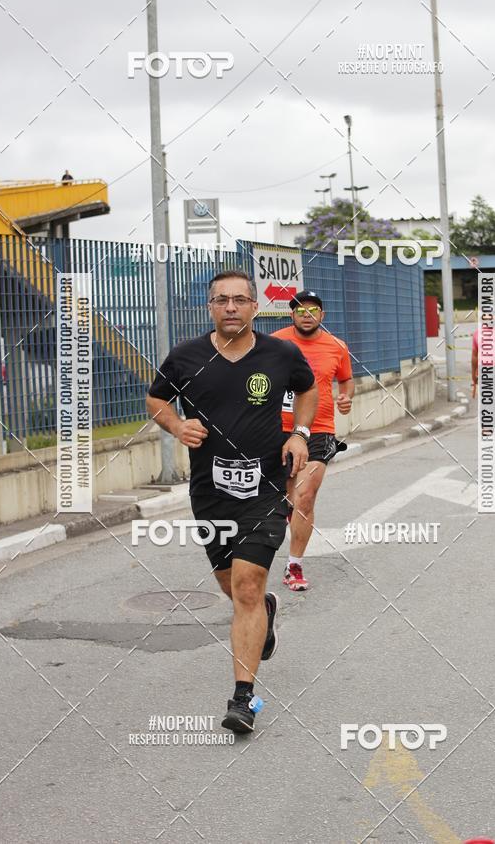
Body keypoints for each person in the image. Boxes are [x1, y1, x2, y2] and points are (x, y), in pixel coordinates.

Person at [146, 270, 317, 734]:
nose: (231, 308)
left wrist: (300, 434)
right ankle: (265, 610)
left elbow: (307, 389)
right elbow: (156, 399)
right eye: (221, 300)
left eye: (240, 300)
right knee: (231, 584)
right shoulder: (186, 357)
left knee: (246, 584)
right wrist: (177, 426)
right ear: (210, 307)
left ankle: (243, 699)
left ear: (254, 307)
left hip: (265, 486)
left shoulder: (281, 354)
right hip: (210, 491)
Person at [272, 290, 354, 591]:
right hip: (276, 429)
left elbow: (345, 379)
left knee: (305, 496)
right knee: (286, 496)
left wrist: (346, 397)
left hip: (318, 430)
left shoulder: (336, 346)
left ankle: (294, 565)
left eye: (313, 310)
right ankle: (288, 510)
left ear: (322, 315)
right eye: (300, 310)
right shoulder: (275, 343)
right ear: (291, 314)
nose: (307, 315)